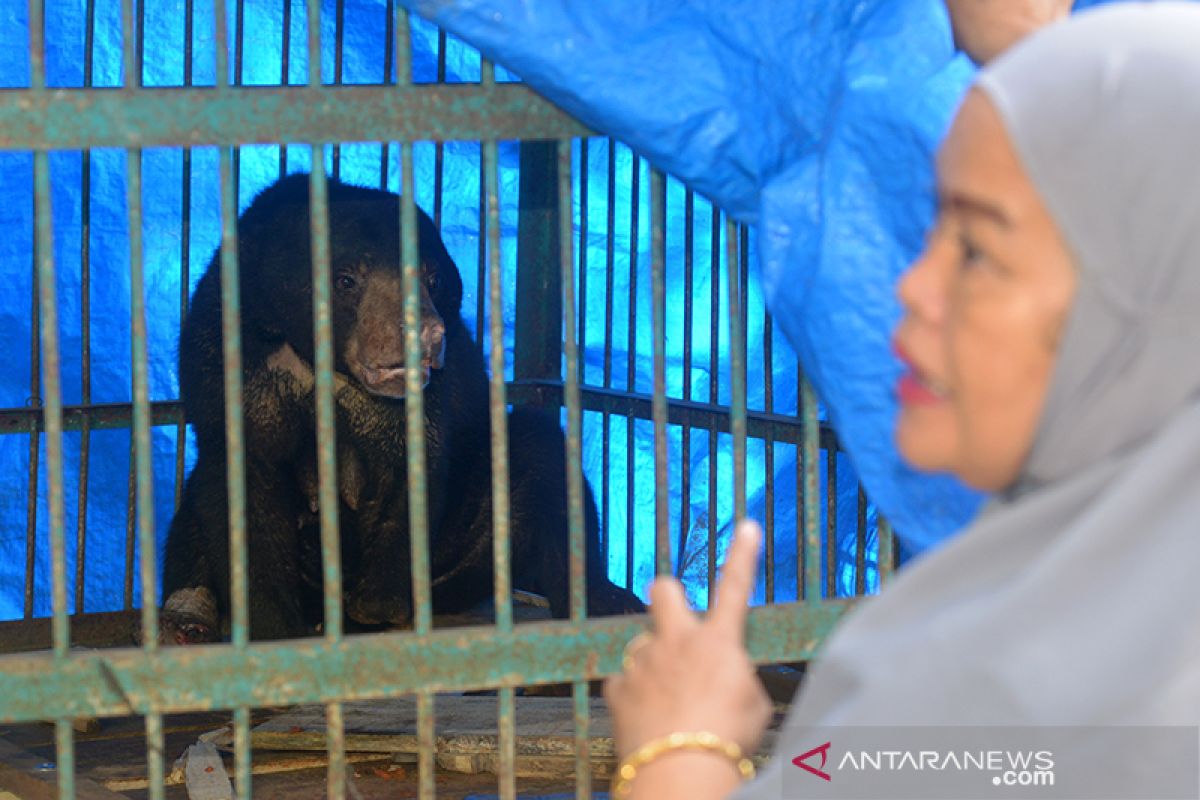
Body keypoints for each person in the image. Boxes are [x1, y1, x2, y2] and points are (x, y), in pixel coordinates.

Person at [603, 4, 1200, 798]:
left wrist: (678, 751)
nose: (914, 285)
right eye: (934, 229)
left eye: (979, 249)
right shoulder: (1077, 598)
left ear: (1147, 303)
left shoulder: (1022, 701)